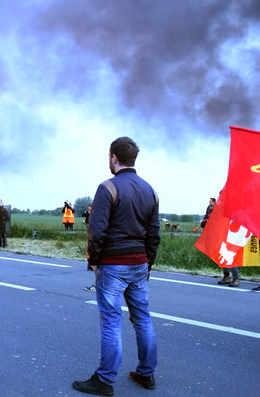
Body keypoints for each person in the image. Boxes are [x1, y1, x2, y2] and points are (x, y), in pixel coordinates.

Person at [73, 137, 160, 396]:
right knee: (142, 318)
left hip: (112, 264)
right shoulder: (150, 190)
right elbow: (154, 234)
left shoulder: (107, 188)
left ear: (113, 157)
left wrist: (95, 261)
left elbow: (97, 232)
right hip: (139, 263)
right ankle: (147, 373)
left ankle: (105, 379)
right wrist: (148, 263)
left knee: (111, 321)